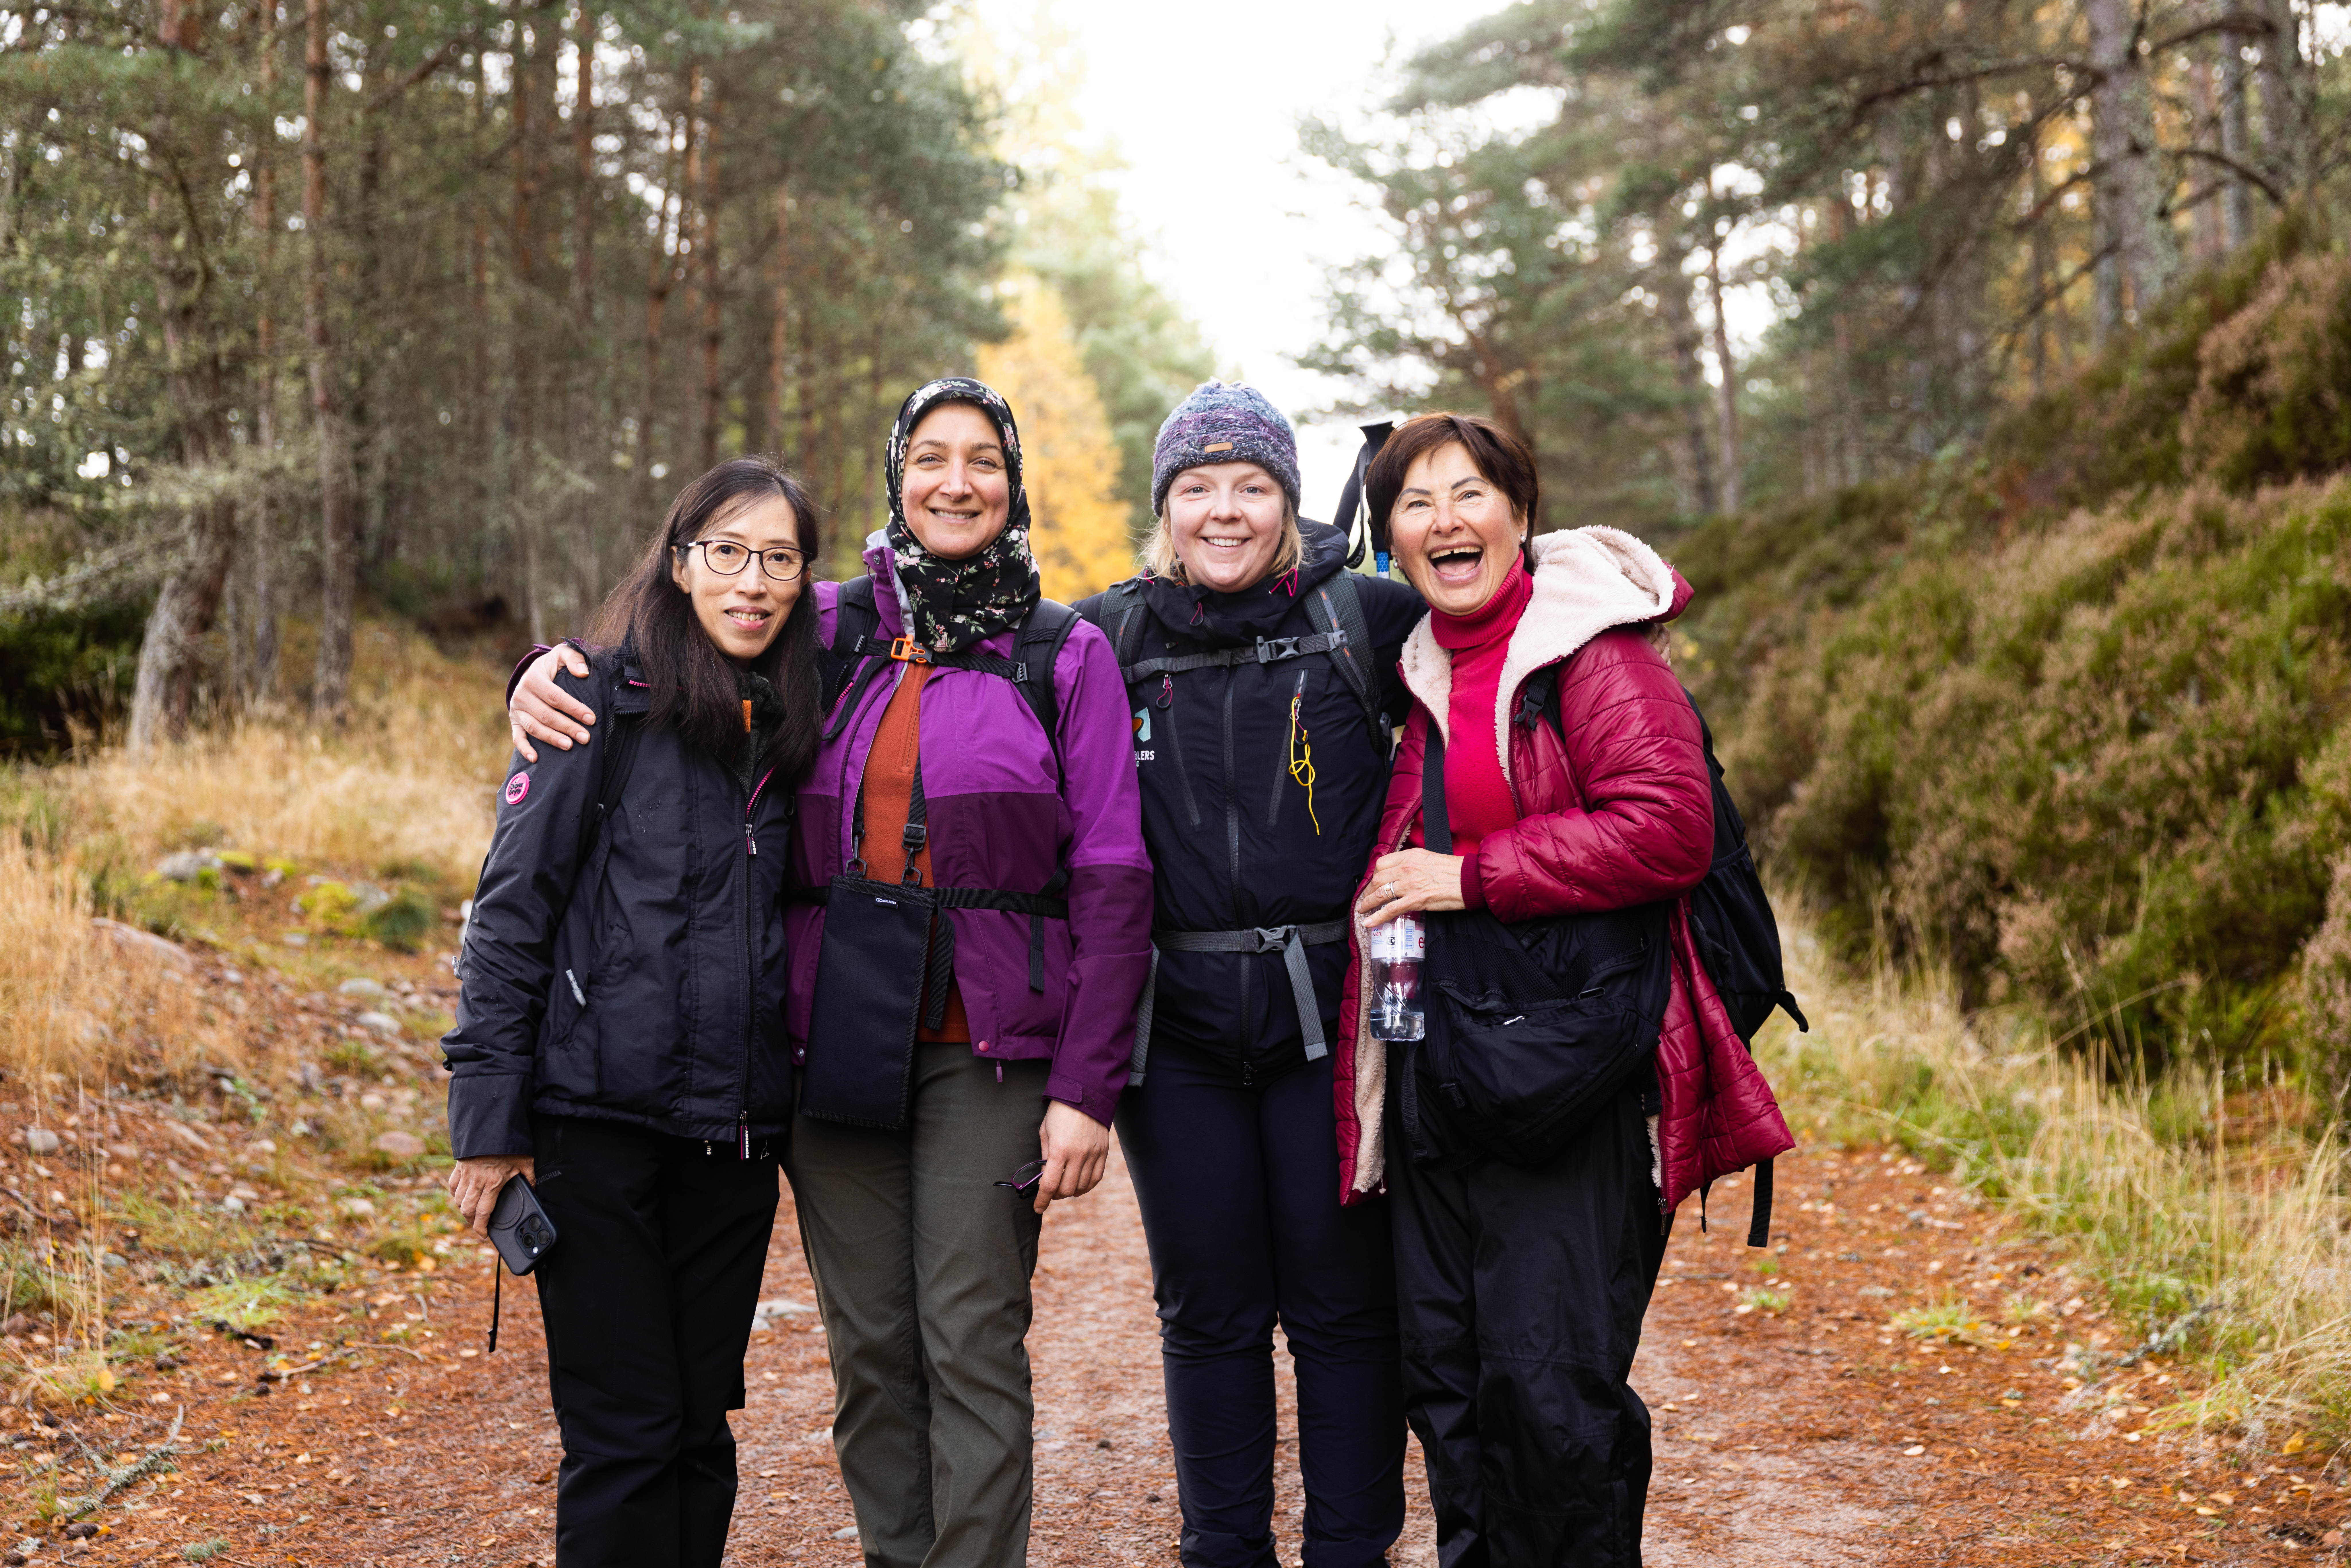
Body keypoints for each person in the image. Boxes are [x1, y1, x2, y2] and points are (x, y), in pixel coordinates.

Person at [507, 377, 1153, 1568]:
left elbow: (1113, 876)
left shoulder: (1066, 654)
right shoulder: (825, 623)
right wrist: (546, 673)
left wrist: (1088, 1086)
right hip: (831, 1042)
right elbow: (673, 638)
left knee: (966, 1332)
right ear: (896, 475)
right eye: (931, 459)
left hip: (990, 1049)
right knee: (868, 1346)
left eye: (983, 462)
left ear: (1014, 487)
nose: (955, 482)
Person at [1342, 413, 1794, 1565]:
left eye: (1468, 493)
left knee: (1550, 1398)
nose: (1445, 521)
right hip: (1449, 1076)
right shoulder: (1421, 673)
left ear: (1520, 514)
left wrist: (1472, 876)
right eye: (1414, 502)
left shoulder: (1598, 655)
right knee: (1447, 1382)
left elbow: (1668, 828)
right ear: (1389, 539)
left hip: (1582, 1081)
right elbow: (1401, 878)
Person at [442, 456, 825, 1568]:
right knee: (625, 1434)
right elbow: (508, 916)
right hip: (593, 1129)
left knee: (699, 1430)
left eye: (779, 557)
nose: (751, 580)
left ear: (803, 579)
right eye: (727, 552)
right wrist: (488, 1123)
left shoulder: (797, 717)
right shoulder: (592, 701)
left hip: (734, 1139)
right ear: (679, 561)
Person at [1072, 382, 1421, 1568]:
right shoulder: (1099, 639)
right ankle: (1221, 1550)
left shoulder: (1364, 620)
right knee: (1208, 1312)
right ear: (1163, 507)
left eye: (1251, 486)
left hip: (1333, 1020)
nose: (1224, 511)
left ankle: (1348, 1553)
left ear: (1285, 501)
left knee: (1340, 1309)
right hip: (1169, 1035)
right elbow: (903, 637)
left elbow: (1506, 618)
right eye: (1197, 488)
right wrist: (555, 668)